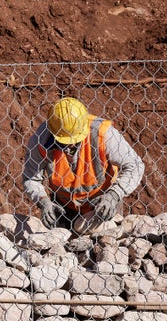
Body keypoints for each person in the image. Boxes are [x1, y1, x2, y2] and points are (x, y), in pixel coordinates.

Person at [23, 97, 145, 234]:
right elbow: (31, 178)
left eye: (75, 141)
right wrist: (43, 202)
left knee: (107, 240)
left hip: (102, 205)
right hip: (63, 207)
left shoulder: (102, 134)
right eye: (63, 142)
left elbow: (135, 165)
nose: (69, 147)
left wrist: (114, 195)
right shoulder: (41, 141)